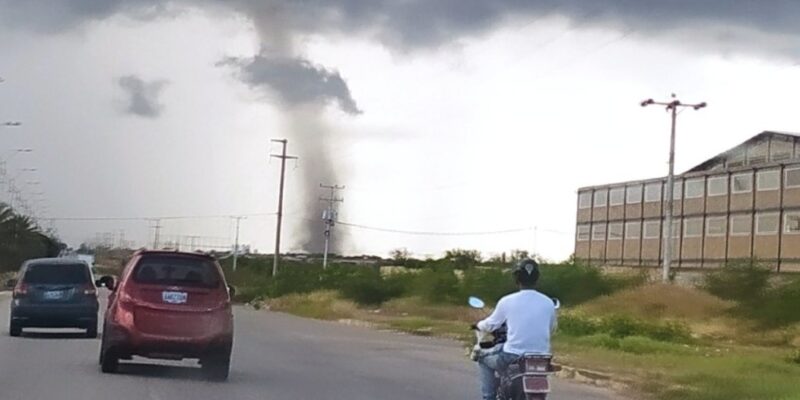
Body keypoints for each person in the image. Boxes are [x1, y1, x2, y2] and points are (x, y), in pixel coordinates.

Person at [475, 258, 557, 400]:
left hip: (513, 356)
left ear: (516, 279)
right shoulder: (548, 302)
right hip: (542, 358)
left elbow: (491, 324)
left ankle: (488, 397)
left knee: (481, 356)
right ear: (537, 279)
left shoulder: (507, 301)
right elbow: (552, 328)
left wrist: (479, 325)